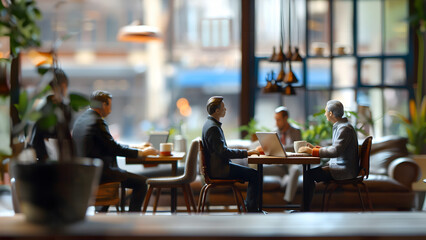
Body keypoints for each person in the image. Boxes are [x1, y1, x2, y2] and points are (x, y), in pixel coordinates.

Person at [72, 90, 157, 212]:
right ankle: (133, 218)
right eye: (110, 106)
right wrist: (142, 153)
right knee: (142, 183)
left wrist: (137, 147)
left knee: (126, 177)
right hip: (101, 173)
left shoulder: (82, 120)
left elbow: (109, 144)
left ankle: (102, 211)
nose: (110, 110)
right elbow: (114, 148)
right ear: (103, 105)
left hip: (86, 171)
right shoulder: (97, 122)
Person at [201, 96, 261, 212]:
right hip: (220, 170)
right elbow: (223, 152)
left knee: (253, 173)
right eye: (223, 107)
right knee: (254, 175)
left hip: (217, 168)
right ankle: (251, 210)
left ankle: (249, 206)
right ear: (217, 111)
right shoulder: (213, 128)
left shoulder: (209, 124)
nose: (226, 109)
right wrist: (247, 153)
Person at [298, 100, 359, 209]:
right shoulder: (341, 126)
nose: (325, 114)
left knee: (309, 175)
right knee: (309, 173)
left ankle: (304, 210)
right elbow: (335, 148)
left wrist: (312, 152)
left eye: (326, 111)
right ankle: (304, 209)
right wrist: (315, 149)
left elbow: (335, 151)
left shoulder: (344, 128)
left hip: (345, 170)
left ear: (331, 113)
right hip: (340, 166)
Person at [255, 106, 302, 204]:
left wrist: (281, 148)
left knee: (296, 170)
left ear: (286, 118)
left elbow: (296, 148)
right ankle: (255, 203)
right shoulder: (274, 131)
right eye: (275, 120)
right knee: (257, 169)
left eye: (278, 120)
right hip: (278, 164)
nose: (276, 123)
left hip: (291, 163)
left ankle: (288, 203)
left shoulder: (296, 131)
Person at [29, 68, 72, 161]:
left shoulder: (41, 108)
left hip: (41, 163)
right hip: (52, 165)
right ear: (63, 87)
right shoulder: (59, 110)